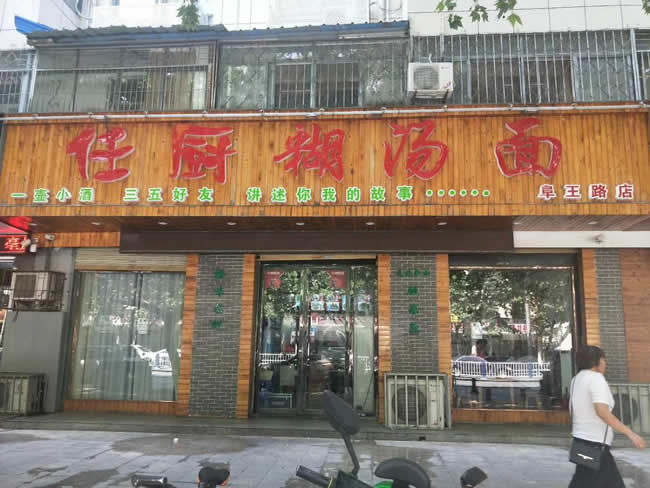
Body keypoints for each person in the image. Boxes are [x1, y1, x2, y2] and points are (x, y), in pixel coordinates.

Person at [568, 345, 646, 488]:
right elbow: (602, 412)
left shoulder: (576, 380)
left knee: (585, 481)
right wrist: (631, 434)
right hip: (595, 445)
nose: (605, 363)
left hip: (580, 442)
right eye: (603, 359)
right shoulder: (596, 379)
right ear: (596, 361)